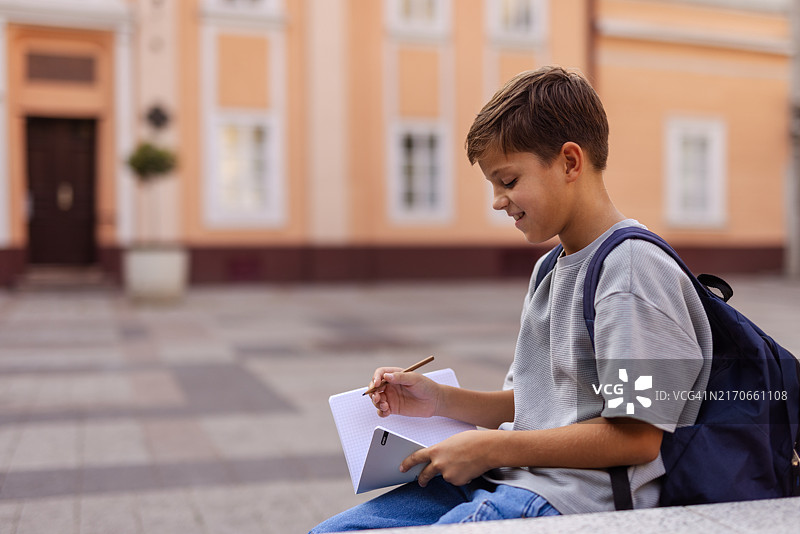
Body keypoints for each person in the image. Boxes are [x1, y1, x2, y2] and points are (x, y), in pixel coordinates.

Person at [309, 66, 712, 532]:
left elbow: (637, 437)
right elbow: (541, 403)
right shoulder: (551, 268)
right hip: (510, 478)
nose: (498, 201)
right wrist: (437, 400)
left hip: (574, 501)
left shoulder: (631, 273)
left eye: (508, 180)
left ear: (569, 162)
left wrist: (490, 448)